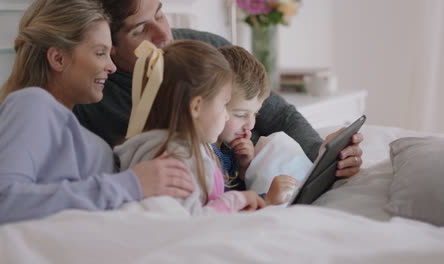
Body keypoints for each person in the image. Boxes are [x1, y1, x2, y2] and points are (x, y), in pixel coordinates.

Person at [73, 0, 364, 179]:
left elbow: (281, 115)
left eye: (160, 14)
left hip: (266, 176)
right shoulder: (93, 96)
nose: (163, 35)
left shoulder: (210, 51)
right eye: (140, 30)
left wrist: (324, 158)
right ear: (109, 44)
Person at [0, 0, 194, 231]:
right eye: (100, 53)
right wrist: (131, 183)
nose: (111, 67)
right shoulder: (31, 103)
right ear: (58, 59)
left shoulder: (77, 131)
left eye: (109, 54)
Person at [114, 40, 265, 214]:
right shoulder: (175, 159)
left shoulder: (187, 147)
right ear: (196, 107)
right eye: (224, 104)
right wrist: (235, 201)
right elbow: (187, 224)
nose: (225, 116)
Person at [213, 45, 299, 206]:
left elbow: (234, 193)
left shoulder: (229, 148)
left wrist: (244, 169)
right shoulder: (205, 155)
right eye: (240, 114)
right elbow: (223, 209)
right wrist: (266, 200)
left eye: (255, 114)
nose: (251, 125)